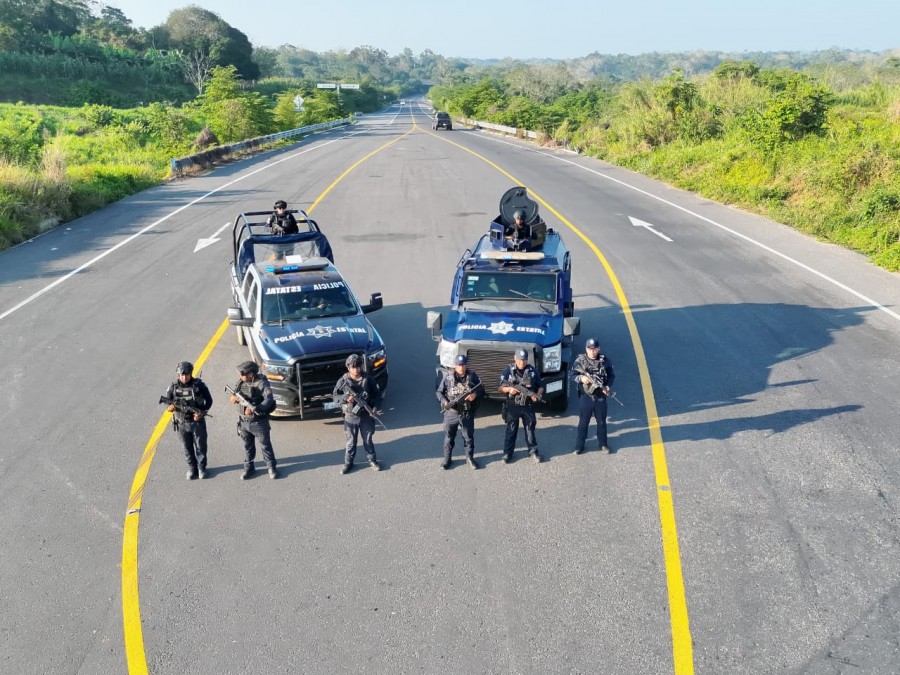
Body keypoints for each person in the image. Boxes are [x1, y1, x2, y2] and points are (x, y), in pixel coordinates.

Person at [332, 354, 383, 474]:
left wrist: (375, 407)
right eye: (353, 367)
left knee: (368, 439)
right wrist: (346, 398)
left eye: (358, 366)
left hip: (365, 415)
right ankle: (348, 462)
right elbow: (335, 396)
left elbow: (377, 395)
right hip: (350, 416)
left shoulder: (368, 379)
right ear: (348, 367)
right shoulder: (343, 381)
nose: (356, 369)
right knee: (350, 441)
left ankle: (372, 460)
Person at [161, 361, 213, 480]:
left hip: (197, 423)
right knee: (187, 447)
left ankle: (201, 468)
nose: (184, 377)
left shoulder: (199, 385)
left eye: (187, 375)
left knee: (201, 447)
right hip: (181, 423)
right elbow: (167, 401)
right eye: (182, 375)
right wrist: (169, 407)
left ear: (191, 373)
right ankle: (192, 468)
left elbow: (209, 401)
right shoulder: (173, 387)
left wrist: (201, 413)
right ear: (178, 375)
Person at [229, 361, 279, 479]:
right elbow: (235, 394)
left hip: (258, 422)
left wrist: (256, 408)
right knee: (248, 446)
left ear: (251, 374)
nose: (240, 376)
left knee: (265, 445)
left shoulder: (261, 383)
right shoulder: (241, 382)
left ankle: (271, 467)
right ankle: (249, 467)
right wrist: (233, 398)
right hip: (244, 421)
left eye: (243, 374)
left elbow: (269, 399)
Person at [436, 354, 484, 470]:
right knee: (449, 437)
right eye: (459, 365)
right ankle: (447, 459)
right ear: (455, 365)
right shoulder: (448, 377)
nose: (461, 367)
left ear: (466, 365)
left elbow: (482, 390)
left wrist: (474, 395)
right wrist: (444, 401)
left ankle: (469, 458)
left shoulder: (472, 376)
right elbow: (439, 392)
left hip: (466, 413)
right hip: (451, 413)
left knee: (468, 437)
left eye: (463, 365)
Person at [498, 348, 544, 463]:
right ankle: (507, 453)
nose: (521, 362)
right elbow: (500, 388)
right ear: (514, 358)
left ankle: (533, 451)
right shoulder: (508, 370)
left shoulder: (532, 371)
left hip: (527, 405)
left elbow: (540, 386)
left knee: (530, 429)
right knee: (511, 429)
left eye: (524, 360)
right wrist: (509, 389)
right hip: (513, 404)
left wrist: (537, 395)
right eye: (519, 360)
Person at [572, 338, 616, 454]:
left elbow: (611, 376)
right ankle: (579, 446)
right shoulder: (580, 361)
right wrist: (581, 378)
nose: (592, 351)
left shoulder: (605, 361)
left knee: (601, 421)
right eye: (590, 349)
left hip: (600, 396)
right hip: (586, 396)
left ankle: (603, 444)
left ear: (598, 349)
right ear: (586, 349)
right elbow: (572, 375)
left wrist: (607, 387)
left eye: (595, 349)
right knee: (583, 422)